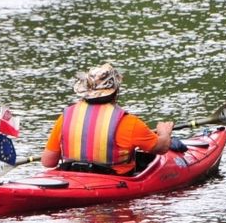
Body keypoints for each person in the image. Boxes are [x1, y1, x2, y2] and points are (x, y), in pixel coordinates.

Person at [39, 62, 184, 175]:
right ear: (115, 91)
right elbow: (161, 148)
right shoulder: (129, 122)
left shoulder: (65, 117)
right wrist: (164, 132)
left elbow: (48, 162)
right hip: (114, 181)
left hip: (72, 176)